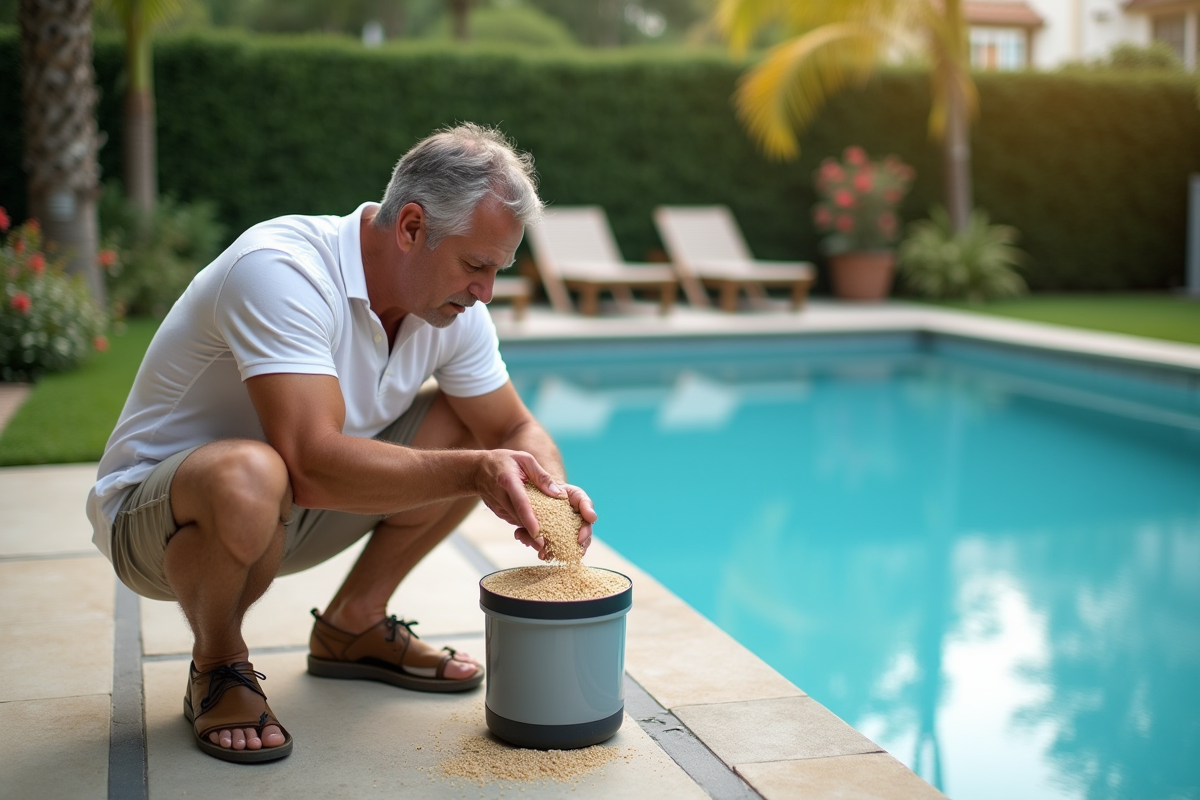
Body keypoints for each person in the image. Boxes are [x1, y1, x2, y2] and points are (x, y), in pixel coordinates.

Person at [86, 124, 596, 764]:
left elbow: (513, 429)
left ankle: (354, 623)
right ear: (411, 227)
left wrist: (550, 493)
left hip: (291, 510)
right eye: (475, 266)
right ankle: (218, 664)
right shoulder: (281, 269)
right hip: (158, 519)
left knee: (471, 428)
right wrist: (475, 473)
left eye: (497, 270)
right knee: (252, 472)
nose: (486, 291)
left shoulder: (451, 311)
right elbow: (311, 463)